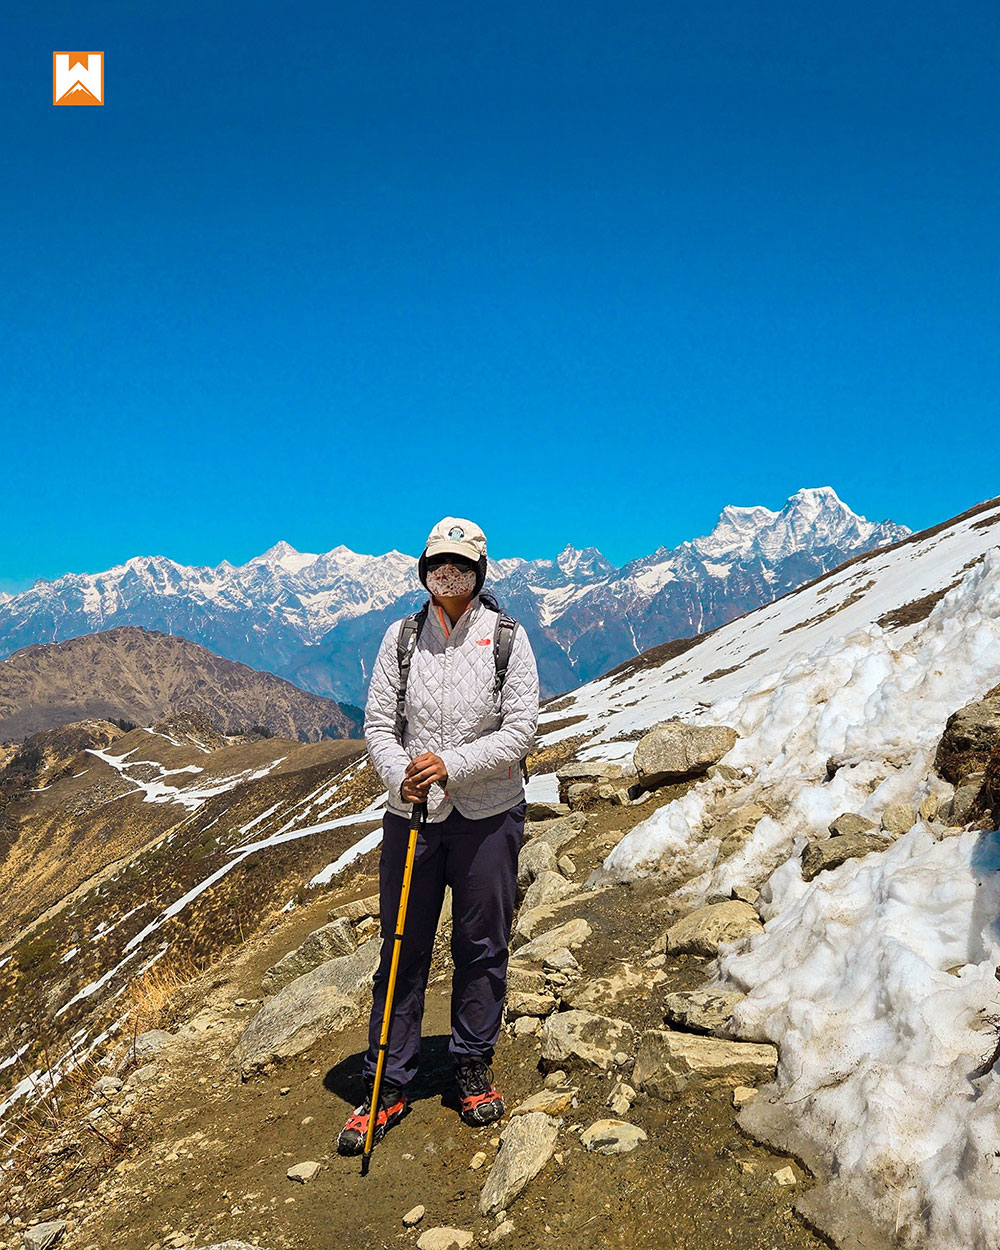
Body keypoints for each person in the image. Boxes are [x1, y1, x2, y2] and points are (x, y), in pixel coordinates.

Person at [337, 516, 539, 1155]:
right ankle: (386, 1083)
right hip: (413, 818)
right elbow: (377, 724)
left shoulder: (507, 640)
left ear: (480, 571)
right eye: (436, 564)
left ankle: (470, 1064)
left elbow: (521, 730)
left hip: (488, 814)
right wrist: (404, 778)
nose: (446, 574)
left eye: (459, 564)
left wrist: (452, 765)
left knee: (481, 941)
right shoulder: (401, 638)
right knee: (401, 948)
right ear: (424, 569)